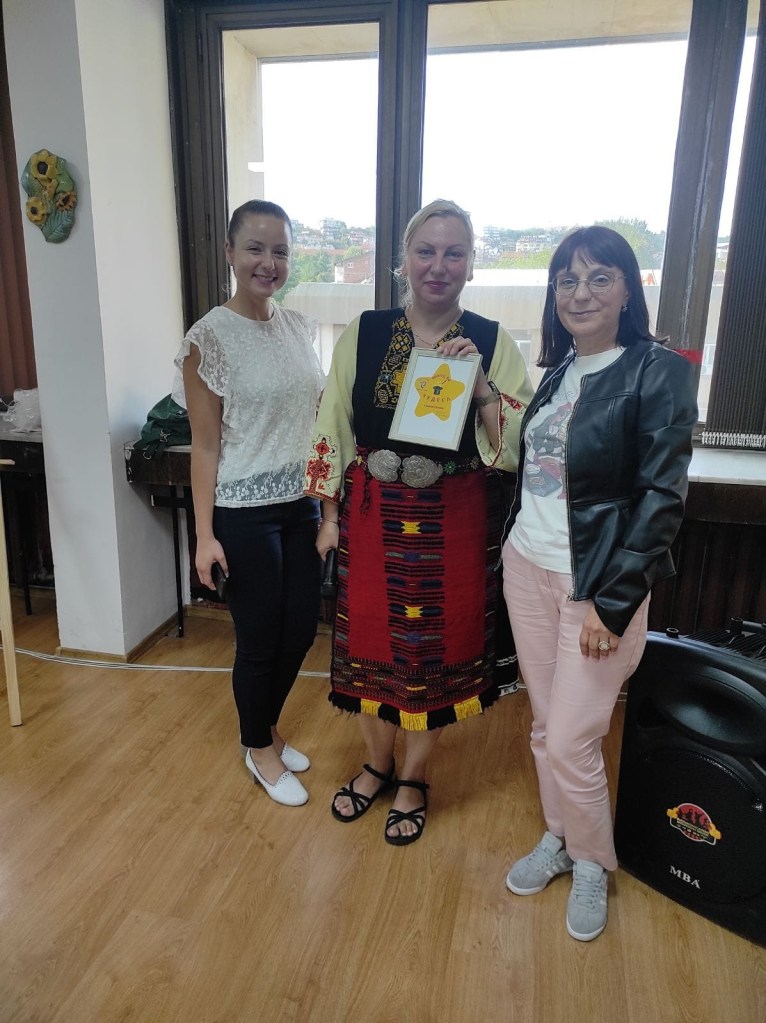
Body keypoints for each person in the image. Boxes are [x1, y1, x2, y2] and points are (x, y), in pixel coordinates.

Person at [306, 199, 533, 845]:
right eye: (425, 251)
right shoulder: (365, 330)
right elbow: (332, 421)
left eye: (454, 252)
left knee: (435, 654)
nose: (439, 265)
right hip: (370, 514)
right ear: (403, 260)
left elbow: (519, 442)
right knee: (368, 647)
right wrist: (328, 515)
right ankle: (377, 763)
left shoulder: (492, 339)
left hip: (455, 520)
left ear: (471, 262)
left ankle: (414, 776)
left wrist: (483, 386)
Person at [502, 225, 697, 940]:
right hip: (526, 564)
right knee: (545, 726)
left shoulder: (657, 370)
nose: (580, 293)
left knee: (572, 738)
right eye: (567, 280)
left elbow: (661, 499)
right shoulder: (559, 371)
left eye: (598, 277)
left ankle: (592, 860)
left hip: (595, 585)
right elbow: (543, 470)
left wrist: (613, 605)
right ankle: (560, 836)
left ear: (627, 291)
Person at [178, 199, 324, 807]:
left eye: (280, 251)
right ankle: (258, 746)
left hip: (301, 505)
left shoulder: (299, 328)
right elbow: (205, 446)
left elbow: (317, 421)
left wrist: (328, 505)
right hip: (242, 510)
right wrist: (204, 536)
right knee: (261, 640)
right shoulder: (207, 339)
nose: (269, 262)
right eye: (255, 249)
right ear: (230, 253)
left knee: (301, 632)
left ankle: (264, 728)